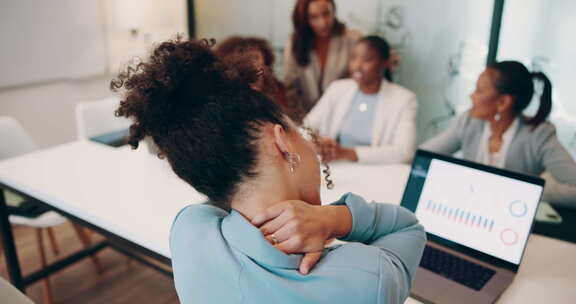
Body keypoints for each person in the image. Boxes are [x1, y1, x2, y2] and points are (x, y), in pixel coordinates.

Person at [111, 37, 425, 304]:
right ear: (283, 144)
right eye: (300, 133)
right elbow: (407, 229)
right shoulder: (368, 278)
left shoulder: (188, 232)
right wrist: (337, 219)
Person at [421, 61, 576, 208]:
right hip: (469, 210)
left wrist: (527, 191)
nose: (471, 96)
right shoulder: (469, 122)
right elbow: (422, 157)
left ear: (503, 102)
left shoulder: (539, 135)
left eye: (479, 90)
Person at [304, 36, 417, 164]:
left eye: (367, 60)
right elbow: (305, 127)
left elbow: (404, 152)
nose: (357, 65)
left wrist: (346, 153)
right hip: (336, 167)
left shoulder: (404, 99)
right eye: (353, 58)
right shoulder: (337, 89)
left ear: (384, 63)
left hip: (379, 171)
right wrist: (318, 142)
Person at [284, 0, 361, 114]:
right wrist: (304, 123)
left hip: (343, 114)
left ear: (334, 11)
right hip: (305, 118)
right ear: (305, 19)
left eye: (326, 14)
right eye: (314, 17)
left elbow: (358, 82)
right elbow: (291, 88)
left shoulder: (352, 39)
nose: (323, 23)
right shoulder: (295, 43)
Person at [215, 36, 302, 120]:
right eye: (250, 59)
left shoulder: (280, 91)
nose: (258, 66)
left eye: (256, 59)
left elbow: (299, 122)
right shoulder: (222, 105)